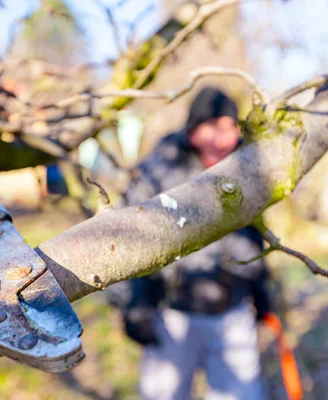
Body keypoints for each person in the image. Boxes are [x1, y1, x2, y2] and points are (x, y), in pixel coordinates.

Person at [107, 87, 271, 400]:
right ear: (194, 130)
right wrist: (132, 305)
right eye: (215, 128)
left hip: (233, 311)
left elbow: (253, 235)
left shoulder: (244, 172)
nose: (225, 139)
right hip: (171, 315)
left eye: (231, 128)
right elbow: (123, 238)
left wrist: (261, 290)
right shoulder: (159, 173)